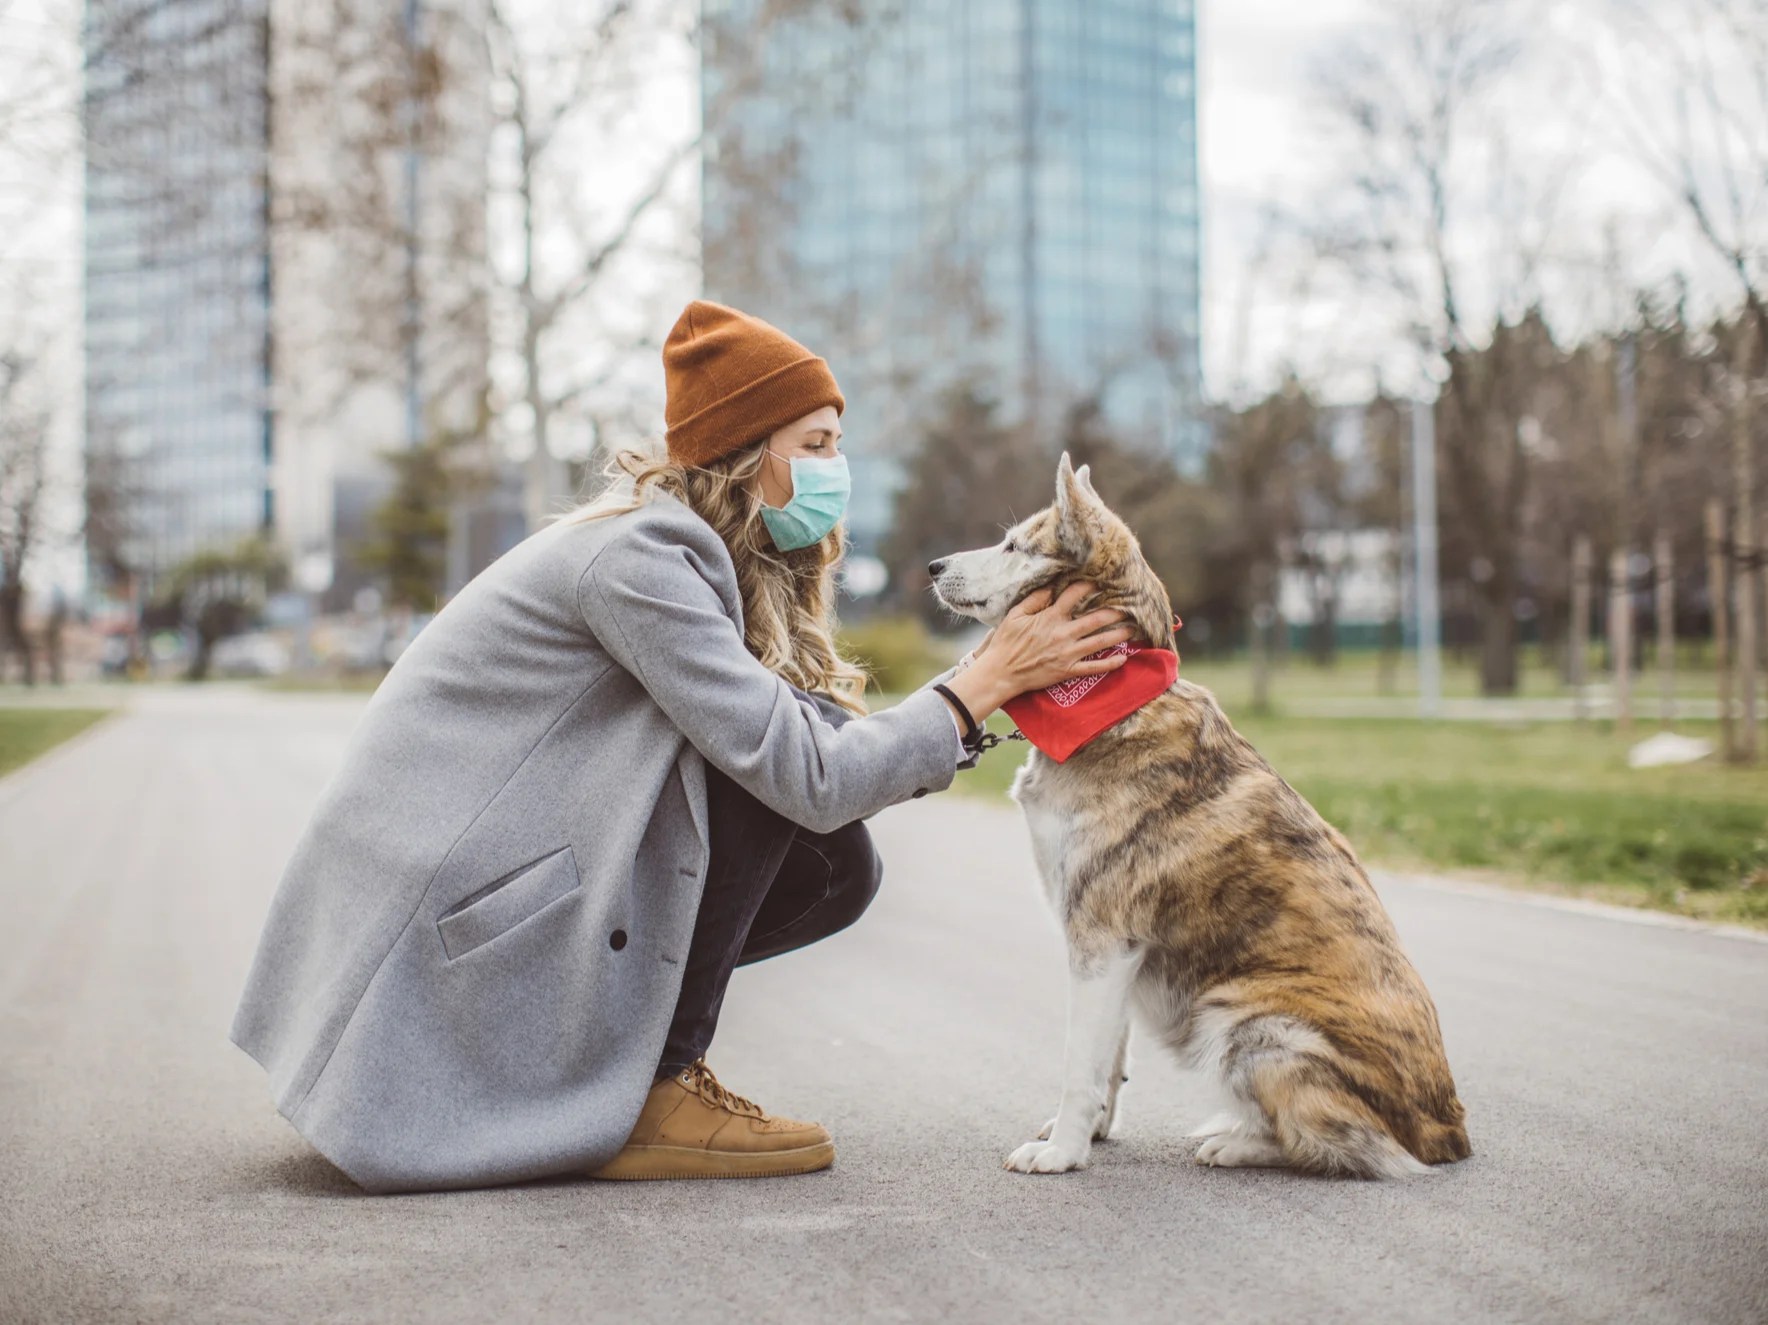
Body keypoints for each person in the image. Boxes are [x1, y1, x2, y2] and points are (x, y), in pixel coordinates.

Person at [229, 300, 1133, 1192]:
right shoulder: (640, 558)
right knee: (763, 775)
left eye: (836, 444)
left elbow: (818, 756)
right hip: (425, 953)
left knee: (833, 864)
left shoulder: (683, 552)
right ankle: (655, 1082)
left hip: (473, 911)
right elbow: (802, 773)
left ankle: (618, 1061)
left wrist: (982, 698)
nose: (836, 468)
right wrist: (983, 681)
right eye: (813, 445)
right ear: (746, 453)